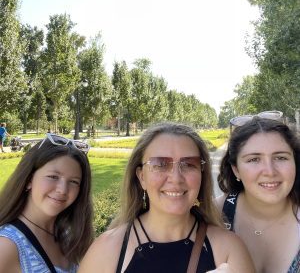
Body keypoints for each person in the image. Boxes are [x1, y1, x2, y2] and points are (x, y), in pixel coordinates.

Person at [79, 122, 254, 273]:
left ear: (201, 174)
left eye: (188, 164)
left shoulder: (228, 250)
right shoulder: (106, 251)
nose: (176, 178)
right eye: (160, 164)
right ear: (141, 177)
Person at [216, 113, 300, 273]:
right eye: (254, 159)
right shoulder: (212, 215)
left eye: (280, 158)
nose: (269, 171)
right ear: (236, 170)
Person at [0, 133, 94, 272]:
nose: (62, 190)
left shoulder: (69, 235)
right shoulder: (7, 247)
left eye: (74, 181)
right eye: (53, 177)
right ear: (29, 180)